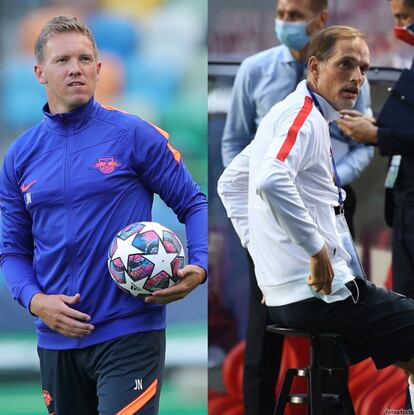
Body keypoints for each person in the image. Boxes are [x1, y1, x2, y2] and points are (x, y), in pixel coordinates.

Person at [0, 16, 207, 415]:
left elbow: (193, 202)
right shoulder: (19, 157)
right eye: (62, 60)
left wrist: (199, 264)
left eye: (85, 58)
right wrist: (36, 301)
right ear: (39, 71)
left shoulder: (134, 135)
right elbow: (12, 251)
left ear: (99, 67)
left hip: (130, 334)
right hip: (55, 341)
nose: (75, 68)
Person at [218, 25, 414, 412]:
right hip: (322, 295)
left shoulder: (294, 114)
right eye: (345, 65)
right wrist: (317, 251)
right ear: (314, 68)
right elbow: (271, 178)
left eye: (364, 69)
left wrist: (262, 258)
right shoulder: (303, 117)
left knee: (404, 351)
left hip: (292, 296)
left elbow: (230, 183)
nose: (357, 77)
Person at [337, 0, 414, 300]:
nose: (399, 26)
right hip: (403, 201)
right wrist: (375, 128)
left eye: (405, 17)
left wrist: (378, 136)